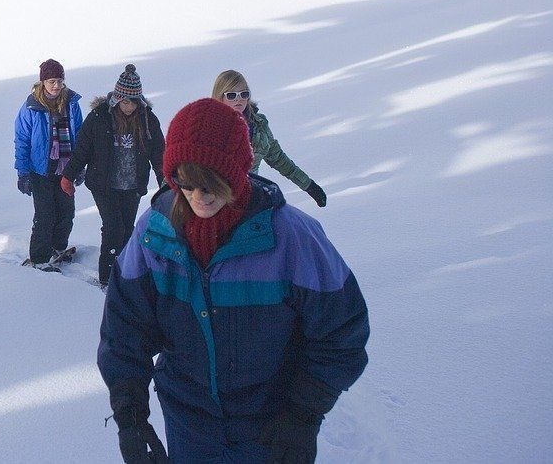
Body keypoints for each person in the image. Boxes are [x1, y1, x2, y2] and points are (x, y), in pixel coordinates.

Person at [98, 98, 369, 463]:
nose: (198, 196)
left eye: (211, 183)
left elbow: (342, 331)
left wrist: (302, 416)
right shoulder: (154, 234)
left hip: (271, 429)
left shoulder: (290, 238)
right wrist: (131, 419)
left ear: (238, 172)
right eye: (185, 181)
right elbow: (124, 329)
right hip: (189, 426)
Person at [61, 65, 165, 287]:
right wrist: (68, 176)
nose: (129, 107)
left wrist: (165, 181)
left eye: (134, 102)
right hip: (103, 184)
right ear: (117, 99)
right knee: (113, 228)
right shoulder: (99, 117)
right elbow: (83, 150)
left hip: (132, 185)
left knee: (127, 230)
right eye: (125, 101)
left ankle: (125, 274)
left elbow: (159, 154)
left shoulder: (147, 119)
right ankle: (107, 278)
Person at [213, 70, 327, 207]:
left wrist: (308, 185)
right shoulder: (211, 127)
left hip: (249, 198)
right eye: (231, 95)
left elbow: (278, 158)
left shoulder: (259, 126)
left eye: (244, 94)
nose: (239, 99)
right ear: (220, 97)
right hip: (217, 202)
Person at [14, 59, 84, 271]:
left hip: (66, 168)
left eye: (60, 81)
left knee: (66, 213)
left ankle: (57, 247)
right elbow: (22, 140)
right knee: (45, 216)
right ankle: (39, 257)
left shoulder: (71, 104)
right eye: (52, 81)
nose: (56, 85)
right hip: (40, 170)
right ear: (43, 81)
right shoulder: (31, 107)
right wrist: (23, 173)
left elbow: (81, 136)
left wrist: (80, 166)